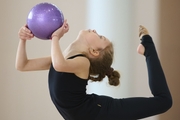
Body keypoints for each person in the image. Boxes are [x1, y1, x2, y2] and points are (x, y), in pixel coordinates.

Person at [16, 20, 172, 120]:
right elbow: (22, 65)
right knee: (163, 103)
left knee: (164, 102)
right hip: (97, 112)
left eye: (101, 36)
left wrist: (55, 37)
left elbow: (58, 65)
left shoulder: (82, 63)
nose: (96, 31)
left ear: (94, 52)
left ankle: (148, 48)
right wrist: (23, 40)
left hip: (102, 113)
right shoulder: (62, 60)